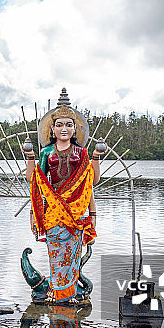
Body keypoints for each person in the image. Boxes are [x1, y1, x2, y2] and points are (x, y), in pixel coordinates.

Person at [23, 92, 104, 303]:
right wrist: (34, 213)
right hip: (52, 210)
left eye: (69, 124)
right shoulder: (46, 152)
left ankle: (70, 291)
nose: (64, 129)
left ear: (75, 128)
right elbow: (36, 183)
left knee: (72, 254)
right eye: (59, 125)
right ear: (52, 129)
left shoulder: (82, 152)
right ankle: (56, 291)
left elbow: (90, 184)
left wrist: (93, 213)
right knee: (56, 254)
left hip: (76, 210)